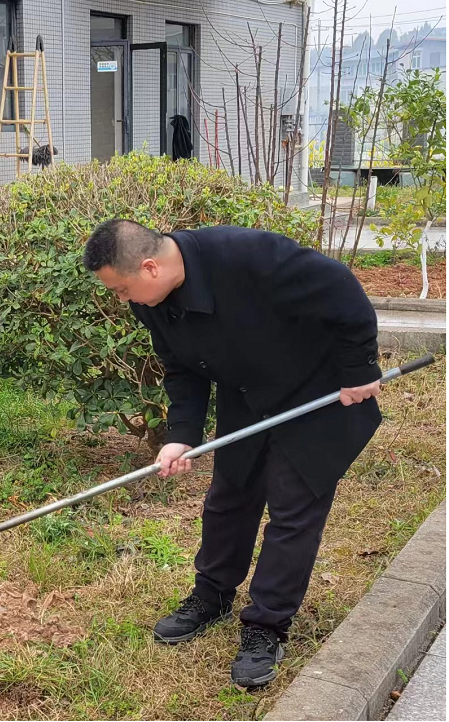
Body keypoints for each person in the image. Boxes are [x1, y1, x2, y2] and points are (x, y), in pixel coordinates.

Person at [83, 220, 382, 687]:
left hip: (318, 392)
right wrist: (182, 434)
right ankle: (211, 595)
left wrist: (359, 368)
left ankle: (266, 625)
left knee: (292, 510)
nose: (122, 300)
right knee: (230, 495)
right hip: (247, 393)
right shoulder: (151, 302)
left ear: (150, 267)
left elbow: (340, 288)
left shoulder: (248, 254)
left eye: (122, 289)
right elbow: (180, 367)